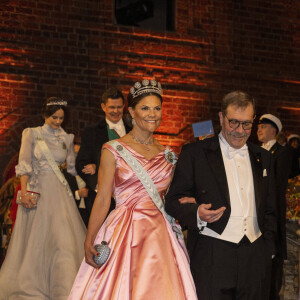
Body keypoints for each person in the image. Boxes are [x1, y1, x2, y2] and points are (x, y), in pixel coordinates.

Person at [68, 80, 197, 299]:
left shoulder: (169, 154)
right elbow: (103, 199)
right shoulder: (113, 150)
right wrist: (89, 239)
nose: (152, 114)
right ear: (131, 111)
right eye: (145, 108)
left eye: (157, 108)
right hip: (124, 230)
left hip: (161, 234)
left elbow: (174, 198)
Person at [165, 91, 277, 300]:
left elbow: (270, 208)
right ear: (221, 117)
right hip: (212, 253)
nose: (240, 131)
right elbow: (172, 201)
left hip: (254, 256)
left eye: (246, 124)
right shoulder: (195, 153)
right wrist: (196, 212)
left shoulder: (264, 157)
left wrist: (267, 249)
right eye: (233, 122)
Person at [0, 97, 86, 299]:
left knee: (61, 238)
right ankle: (33, 282)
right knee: (36, 238)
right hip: (37, 190)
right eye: (54, 117)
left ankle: (62, 285)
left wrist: (89, 172)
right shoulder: (32, 134)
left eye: (61, 118)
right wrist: (25, 191)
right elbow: (24, 165)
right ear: (45, 115)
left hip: (59, 192)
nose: (58, 121)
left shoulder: (67, 138)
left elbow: (72, 169)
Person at [75, 87, 131, 221]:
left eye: (119, 107)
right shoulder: (92, 132)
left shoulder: (133, 131)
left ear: (124, 106)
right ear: (103, 107)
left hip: (128, 196)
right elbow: (81, 164)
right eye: (112, 107)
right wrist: (98, 185)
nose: (116, 111)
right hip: (101, 197)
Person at [257, 114, 292, 300]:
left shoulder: (281, 153)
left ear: (274, 131)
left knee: (273, 264)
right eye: (258, 127)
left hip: (272, 213)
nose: (259, 130)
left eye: (263, 127)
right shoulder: (255, 151)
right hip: (257, 212)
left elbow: (277, 187)